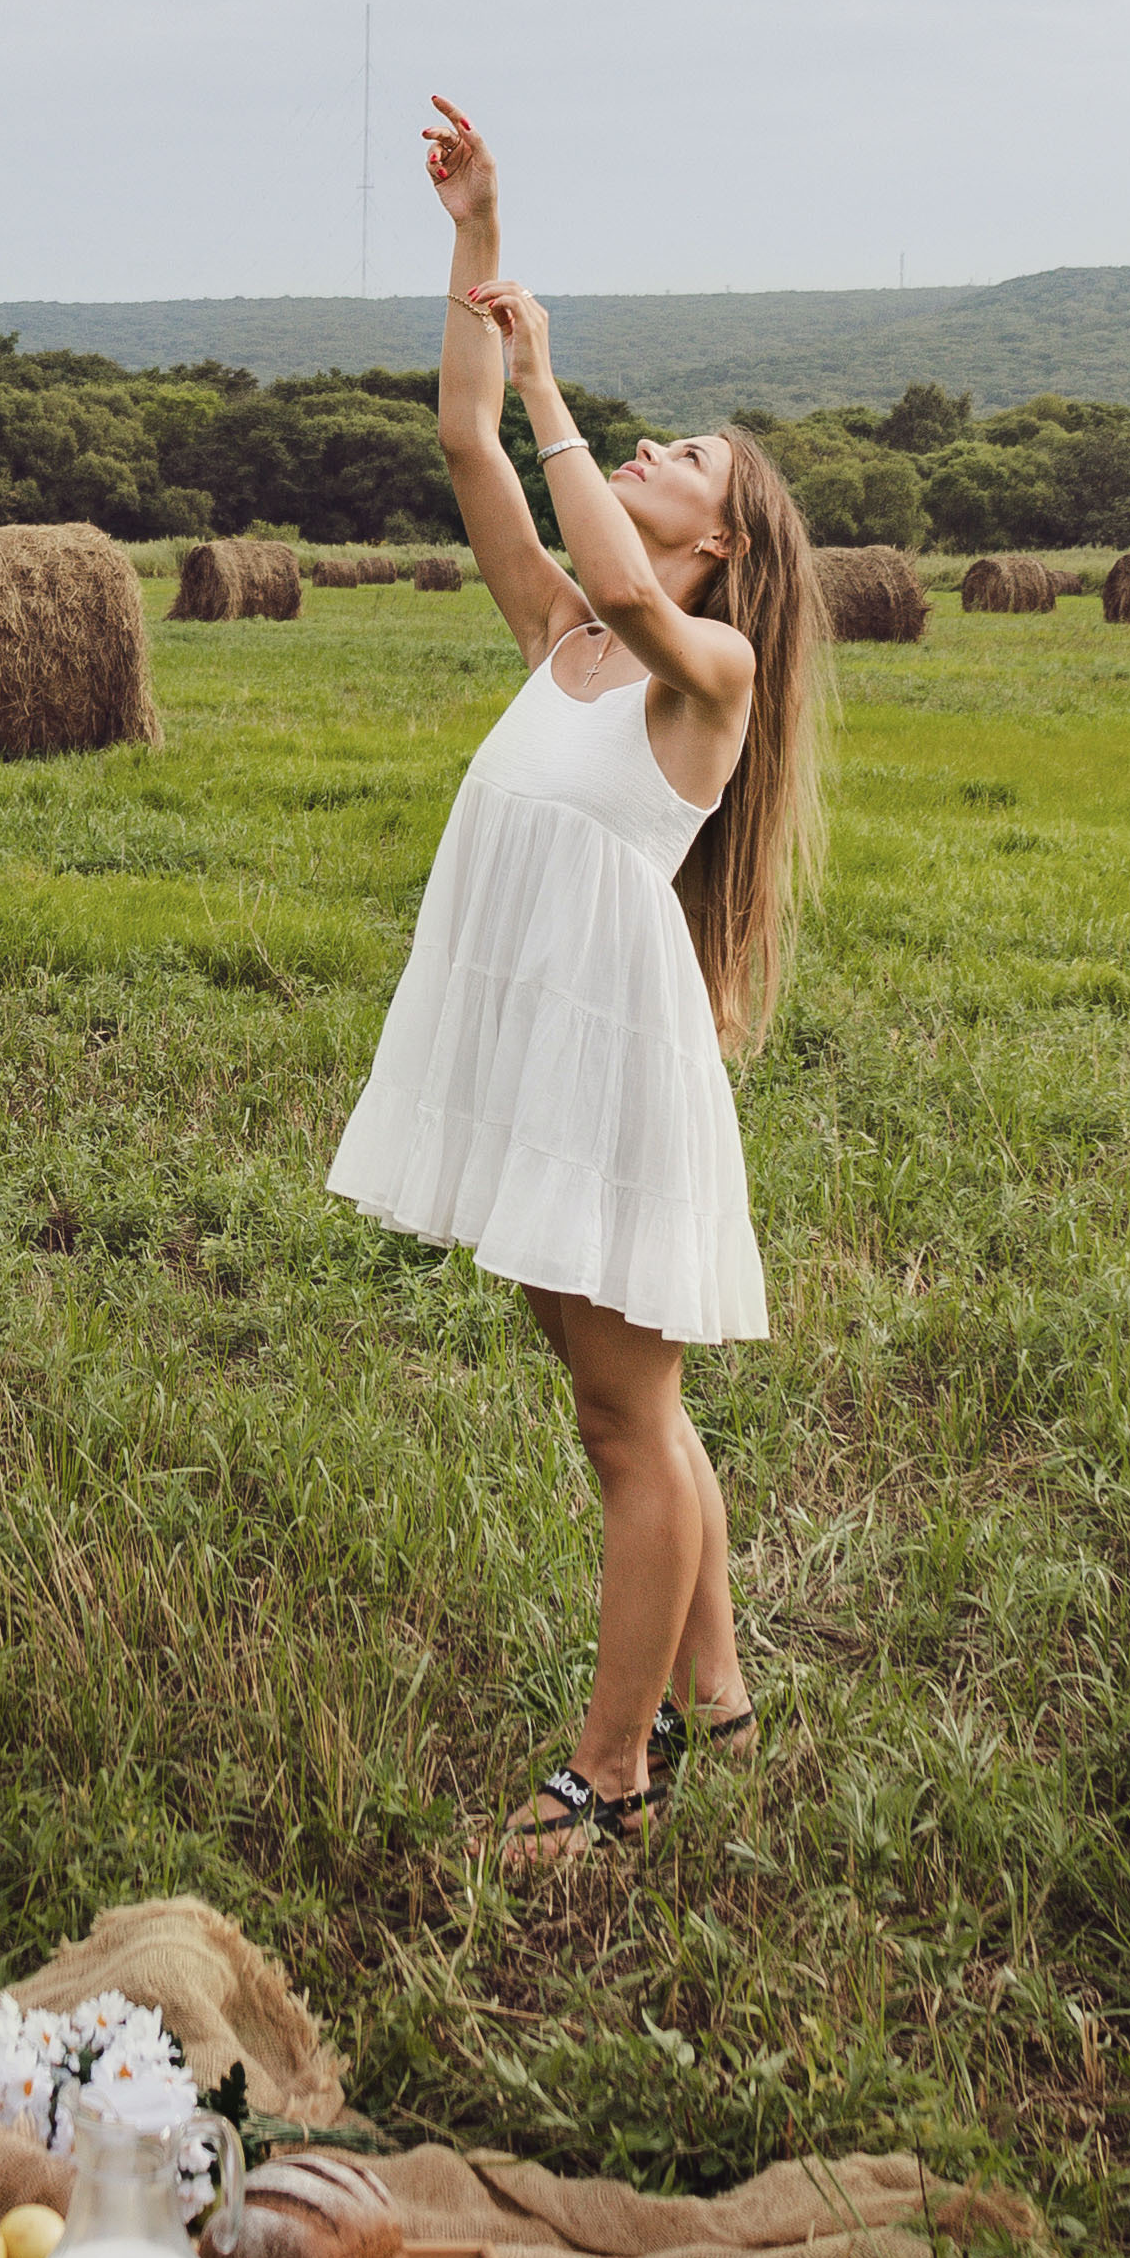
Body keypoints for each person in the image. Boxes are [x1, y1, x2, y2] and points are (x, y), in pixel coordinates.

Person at [328, 101, 826, 1866]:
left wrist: (553, 380)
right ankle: (723, 1702)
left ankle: (610, 1778)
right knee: (625, 1410)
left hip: (608, 1076)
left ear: (724, 538)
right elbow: (465, 439)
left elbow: (607, 547)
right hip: (536, 1055)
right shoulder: (564, 639)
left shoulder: (710, 665)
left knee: (627, 1425)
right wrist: (477, 238)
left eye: (682, 455)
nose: (648, 450)